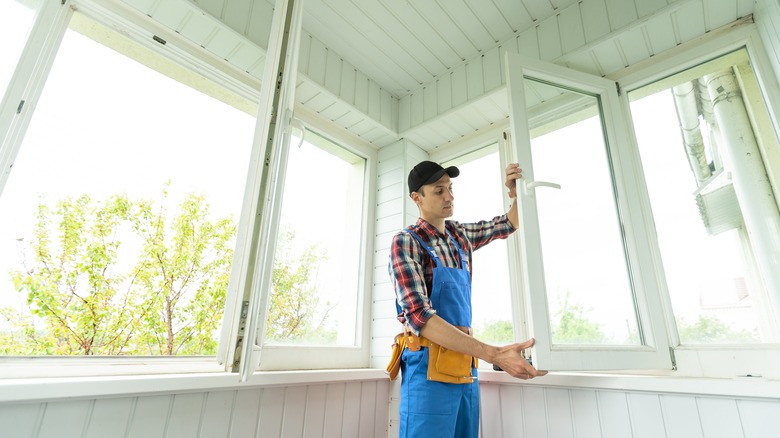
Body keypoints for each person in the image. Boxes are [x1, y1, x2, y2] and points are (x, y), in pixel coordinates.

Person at [388, 160, 547, 438]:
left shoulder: (459, 235)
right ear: (417, 198)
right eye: (439, 191)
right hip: (427, 373)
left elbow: (509, 222)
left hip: (466, 369)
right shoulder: (406, 242)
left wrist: (516, 192)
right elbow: (420, 318)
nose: (449, 197)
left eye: (450, 188)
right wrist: (495, 354)